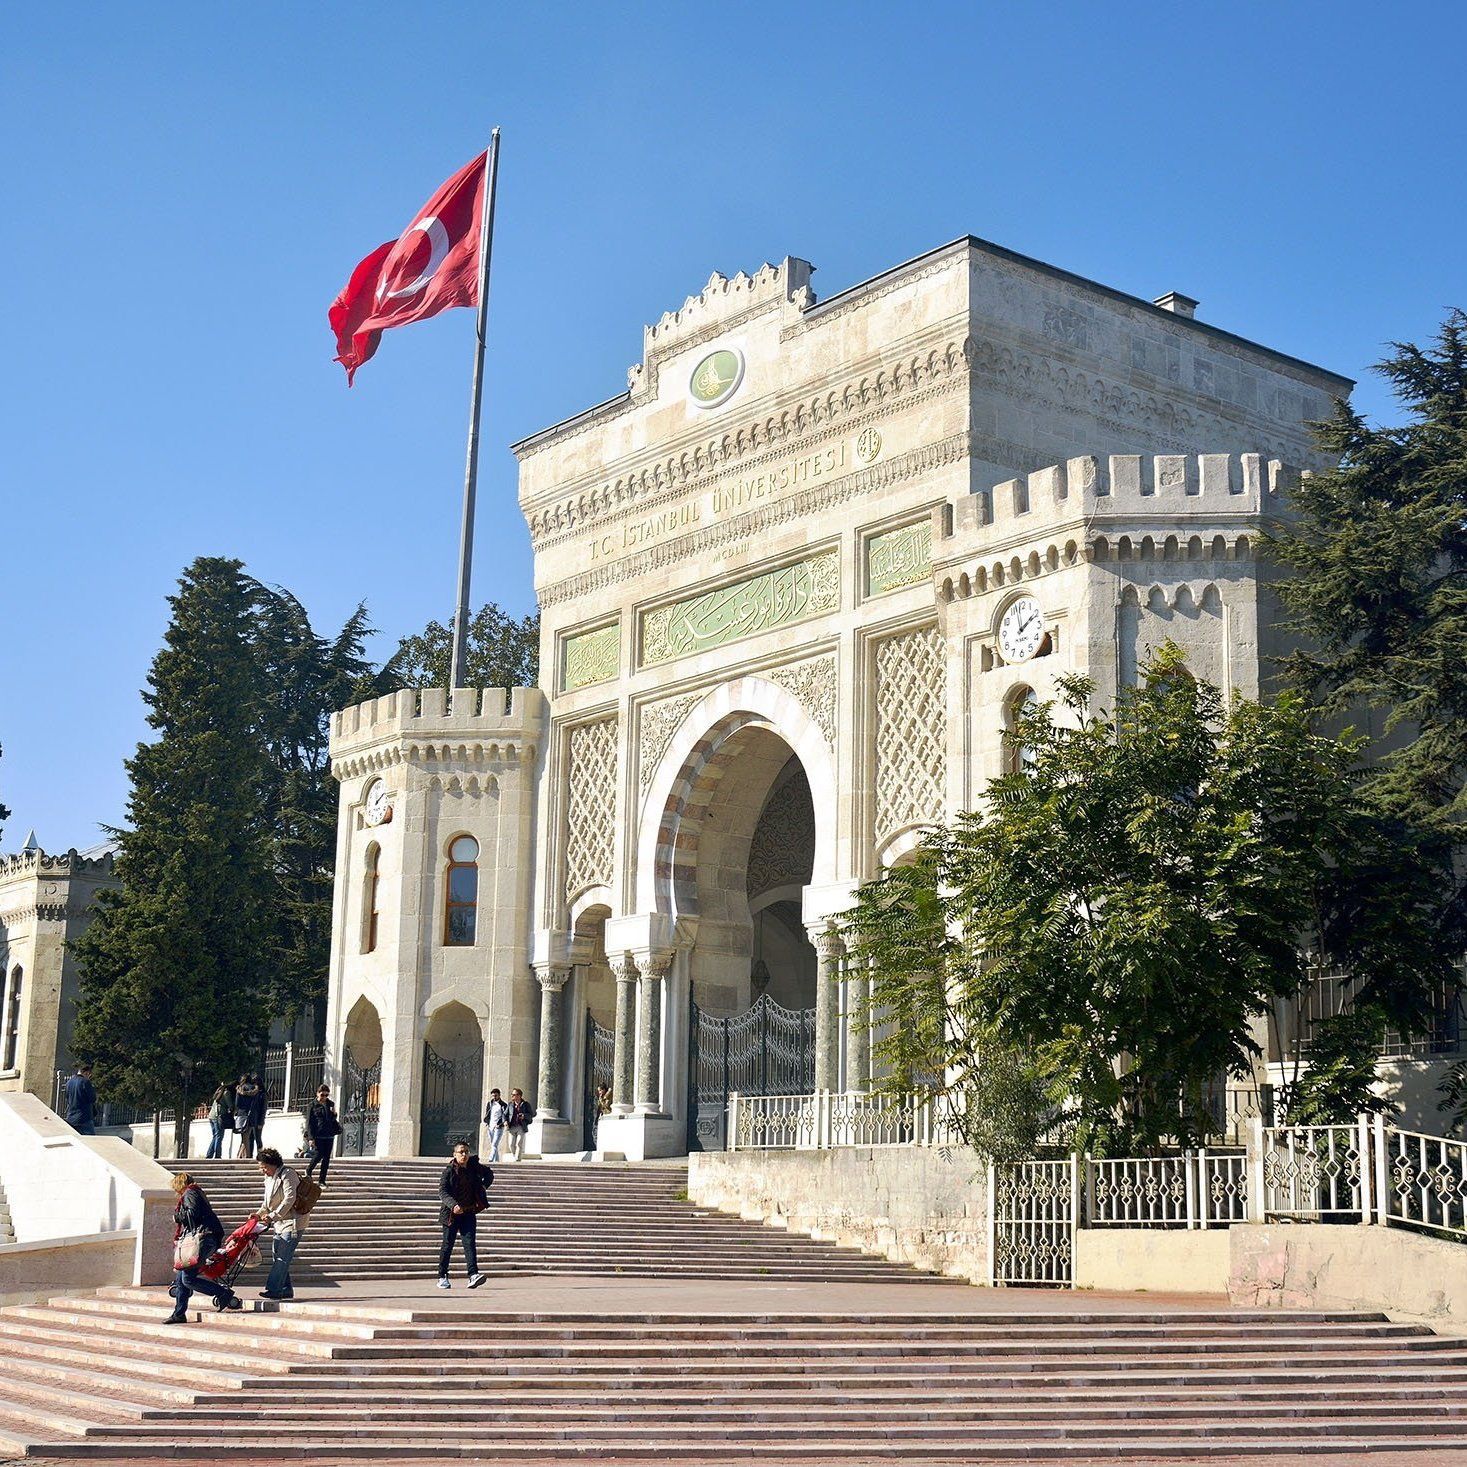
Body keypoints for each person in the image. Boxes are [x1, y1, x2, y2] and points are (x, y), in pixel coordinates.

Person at [165, 1171, 240, 1322]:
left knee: (187, 1280)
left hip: (203, 1238)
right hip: (206, 1236)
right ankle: (179, 1314)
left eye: (176, 1188)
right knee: (181, 1280)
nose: (176, 1192)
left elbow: (193, 1213)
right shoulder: (195, 1192)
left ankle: (223, 1293)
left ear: (180, 1184)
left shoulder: (190, 1193)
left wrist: (177, 1217)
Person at [437, 1141, 490, 1290]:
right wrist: (453, 1205)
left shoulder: (474, 1167)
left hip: (468, 1212)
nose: (464, 1155)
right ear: (454, 1154)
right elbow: (442, 1191)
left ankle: (473, 1275)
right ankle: (442, 1276)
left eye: (466, 1151)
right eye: (461, 1152)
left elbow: (489, 1174)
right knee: (447, 1245)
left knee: (469, 1243)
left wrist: (483, 1186)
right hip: (451, 1215)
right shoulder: (448, 1171)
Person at [254, 1146, 305, 1300]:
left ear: (272, 1164)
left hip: (293, 1222)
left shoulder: (288, 1174)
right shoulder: (269, 1179)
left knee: (282, 1256)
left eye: (264, 1167)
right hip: (279, 1223)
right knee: (278, 1256)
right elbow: (267, 1203)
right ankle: (285, 1288)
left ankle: (274, 1289)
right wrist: (258, 1214)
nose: (262, 1170)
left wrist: (273, 1216)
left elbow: (290, 1198)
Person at [304, 1084, 342, 1186]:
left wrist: (334, 1114)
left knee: (326, 1158)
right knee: (319, 1154)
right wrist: (311, 1138)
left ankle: (322, 1180)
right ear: (317, 1094)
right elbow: (309, 1123)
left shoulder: (330, 1104)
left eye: (326, 1095)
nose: (324, 1097)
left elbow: (332, 1119)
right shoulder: (312, 1105)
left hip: (329, 1134)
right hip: (318, 1134)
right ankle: (309, 1169)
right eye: (322, 1095)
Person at [234, 1073, 264, 1159]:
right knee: (247, 1135)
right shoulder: (255, 1089)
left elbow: (237, 1103)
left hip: (242, 1113)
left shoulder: (240, 1089)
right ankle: (240, 1155)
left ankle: (247, 1155)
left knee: (244, 1136)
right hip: (252, 1115)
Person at [63, 1063, 97, 1135]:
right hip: (84, 1117)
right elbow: (93, 1098)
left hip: (71, 1116)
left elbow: (67, 1097)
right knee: (90, 1140)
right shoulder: (85, 1082)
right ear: (87, 1073)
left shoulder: (69, 1082)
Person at [204, 1081, 234, 1160]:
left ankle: (209, 1154)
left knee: (215, 1136)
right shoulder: (226, 1093)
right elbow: (230, 1106)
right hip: (219, 1116)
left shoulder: (219, 1091)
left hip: (212, 1116)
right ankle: (218, 1155)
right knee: (219, 1136)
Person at [504, 1088, 534, 1161]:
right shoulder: (510, 1104)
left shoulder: (526, 1104)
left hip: (521, 1126)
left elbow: (531, 1114)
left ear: (519, 1096)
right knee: (511, 1145)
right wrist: (505, 1121)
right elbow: (505, 1114)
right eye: (512, 1094)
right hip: (512, 1126)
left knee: (519, 1143)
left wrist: (524, 1116)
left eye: (515, 1095)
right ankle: (515, 1156)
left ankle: (517, 1159)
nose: (513, 1096)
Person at [483, 1088, 509, 1163]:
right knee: (493, 1144)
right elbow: (488, 1114)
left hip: (498, 1127)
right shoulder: (490, 1104)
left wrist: (500, 1124)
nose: (494, 1097)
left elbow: (504, 1116)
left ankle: (490, 1159)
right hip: (490, 1126)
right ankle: (496, 1160)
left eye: (496, 1095)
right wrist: (487, 1123)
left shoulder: (503, 1105)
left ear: (499, 1095)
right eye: (493, 1096)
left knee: (494, 1144)